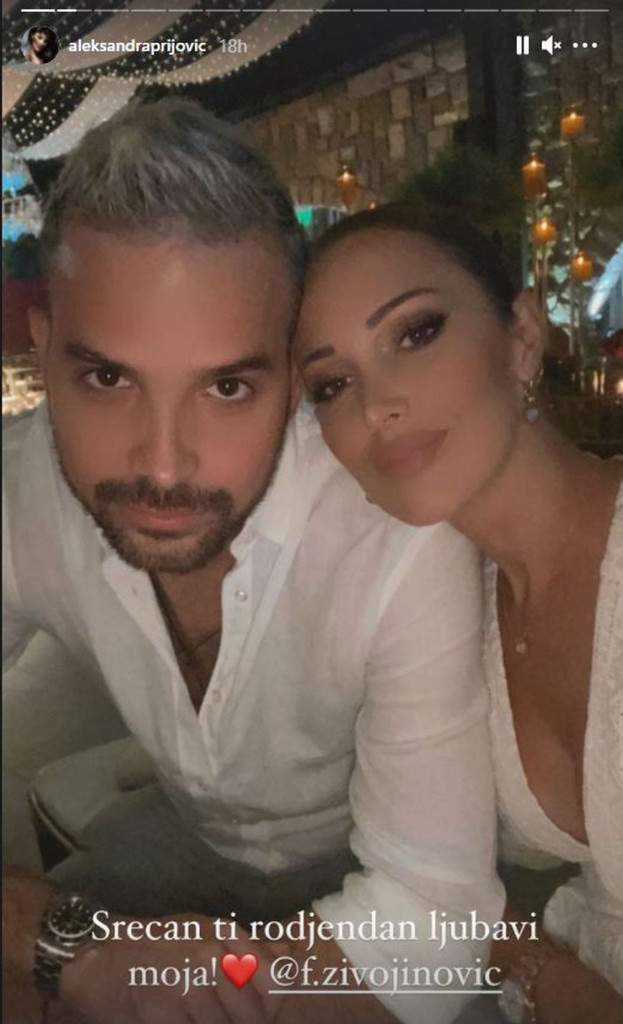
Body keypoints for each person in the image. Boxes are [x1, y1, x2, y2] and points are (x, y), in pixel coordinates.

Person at [2, 103, 504, 1024]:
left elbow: (429, 918)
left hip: (364, 873)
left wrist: (181, 984)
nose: (163, 466)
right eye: (107, 378)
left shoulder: (394, 534)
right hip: (183, 844)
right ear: (40, 346)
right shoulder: (17, 490)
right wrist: (68, 943)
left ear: (290, 370)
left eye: (228, 386)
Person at [295, 203, 623, 1024]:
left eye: (414, 333)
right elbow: (438, 889)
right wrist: (542, 970)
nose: (375, 406)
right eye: (332, 385)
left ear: (521, 338)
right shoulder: (451, 607)